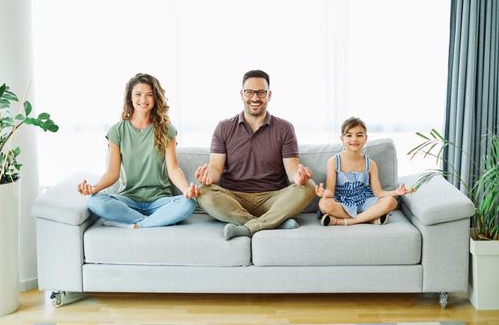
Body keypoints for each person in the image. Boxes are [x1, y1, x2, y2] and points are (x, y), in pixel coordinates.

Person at [195, 70, 315, 240]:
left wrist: (299, 177)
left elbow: (292, 170)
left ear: (269, 95)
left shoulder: (284, 128)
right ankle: (273, 223)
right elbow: (215, 169)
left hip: (272, 198)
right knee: (203, 192)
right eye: (249, 92)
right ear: (241, 94)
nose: (255, 98)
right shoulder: (224, 127)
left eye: (261, 92)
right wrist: (207, 177)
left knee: (309, 187)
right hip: (234, 198)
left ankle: (250, 226)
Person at [77, 73, 198, 228]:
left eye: (149, 95)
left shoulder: (167, 130)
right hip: (128, 200)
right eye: (138, 94)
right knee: (95, 202)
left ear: (155, 98)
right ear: (130, 98)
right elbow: (112, 173)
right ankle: (153, 222)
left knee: (188, 203)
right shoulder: (117, 131)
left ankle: (135, 224)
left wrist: (186, 190)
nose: (143, 100)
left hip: (159, 201)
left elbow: (173, 169)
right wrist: (94, 188)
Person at [315, 117, 413, 226]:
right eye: (349, 135)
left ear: (365, 138)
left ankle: (342, 221)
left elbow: (378, 193)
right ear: (342, 138)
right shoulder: (333, 162)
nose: (354, 139)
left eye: (359, 135)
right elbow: (330, 191)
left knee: (391, 201)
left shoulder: (370, 164)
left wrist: (395, 192)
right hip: (343, 204)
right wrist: (324, 193)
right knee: (324, 204)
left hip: (365, 202)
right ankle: (370, 218)